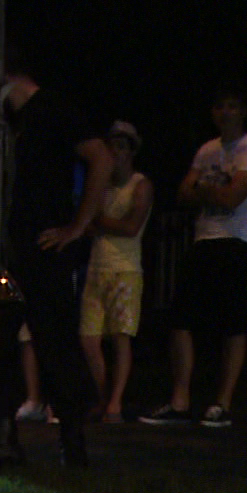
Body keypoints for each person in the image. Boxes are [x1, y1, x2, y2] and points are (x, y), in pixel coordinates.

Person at [0, 56, 114, 466]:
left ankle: (72, 437)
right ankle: (5, 437)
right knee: (2, 339)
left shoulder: (50, 107)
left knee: (55, 341)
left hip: (46, 243)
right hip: (8, 245)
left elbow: (101, 157)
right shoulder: (9, 121)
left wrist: (77, 226)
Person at [141, 89, 247, 428]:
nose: (226, 112)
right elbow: (183, 192)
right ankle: (179, 400)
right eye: (220, 106)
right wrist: (209, 191)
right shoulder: (207, 149)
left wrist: (204, 190)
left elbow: (233, 197)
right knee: (180, 318)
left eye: (232, 106)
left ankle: (222, 403)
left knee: (233, 322)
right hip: (204, 239)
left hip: (237, 241)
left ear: (243, 111)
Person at [80, 121, 153, 422]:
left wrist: (97, 220)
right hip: (97, 267)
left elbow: (131, 226)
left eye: (122, 147)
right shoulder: (101, 184)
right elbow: (86, 223)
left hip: (125, 269)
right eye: (113, 147)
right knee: (89, 337)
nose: (116, 153)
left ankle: (116, 402)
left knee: (120, 336)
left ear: (132, 151)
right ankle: (103, 394)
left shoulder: (140, 185)